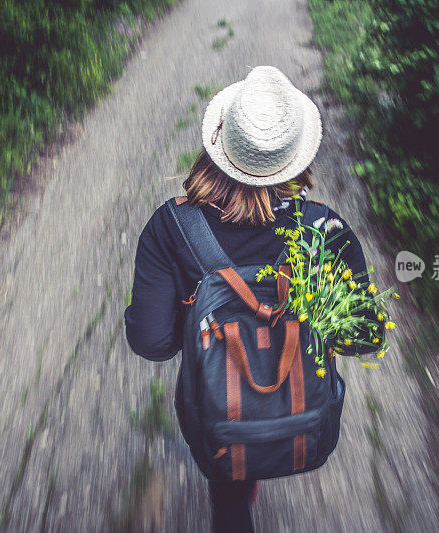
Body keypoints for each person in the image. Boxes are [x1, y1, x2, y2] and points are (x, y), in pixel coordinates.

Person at [124, 66, 375, 532]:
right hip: (306, 415)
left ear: (219, 145)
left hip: (217, 412)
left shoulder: (171, 228)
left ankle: (236, 494)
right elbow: (365, 337)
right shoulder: (325, 229)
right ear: (296, 159)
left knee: (230, 481)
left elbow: (152, 343)